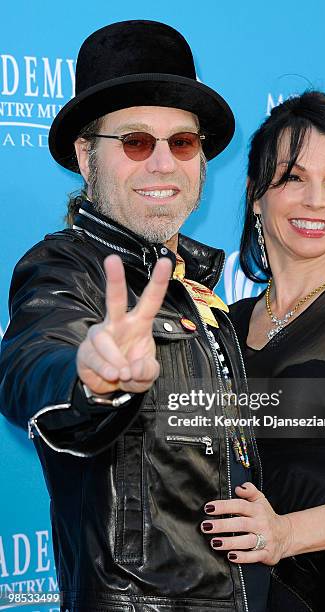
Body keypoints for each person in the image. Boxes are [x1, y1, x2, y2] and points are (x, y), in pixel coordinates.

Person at [0, 20, 265, 612]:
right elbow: (32, 363)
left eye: (184, 143)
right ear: (84, 154)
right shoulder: (66, 270)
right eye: (137, 142)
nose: (163, 164)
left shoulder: (197, 290)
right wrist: (91, 377)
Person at [201, 91, 325, 611]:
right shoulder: (225, 323)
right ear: (255, 194)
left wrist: (288, 534)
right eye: (293, 177)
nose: (317, 200)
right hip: (225, 598)